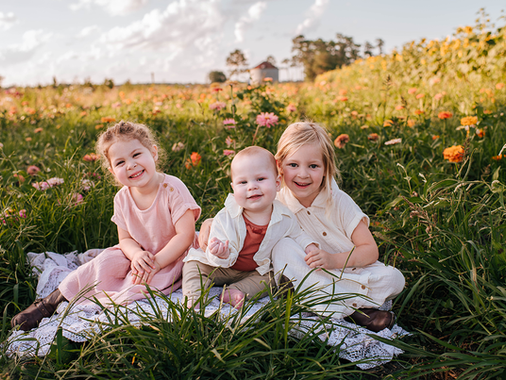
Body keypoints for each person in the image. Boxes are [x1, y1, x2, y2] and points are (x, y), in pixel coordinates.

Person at [200, 122, 405, 332]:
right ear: (279, 166)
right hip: (306, 270)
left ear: (326, 168)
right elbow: (237, 213)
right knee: (283, 248)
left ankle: (326, 301)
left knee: (395, 279)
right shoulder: (275, 200)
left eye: (313, 166)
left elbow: (370, 249)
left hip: (348, 269)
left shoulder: (339, 201)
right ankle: (355, 312)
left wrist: (333, 260)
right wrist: (210, 223)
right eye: (293, 165)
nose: (303, 174)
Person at [11, 121, 201, 331]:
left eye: (137, 155)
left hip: (173, 255)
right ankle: (53, 299)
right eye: (120, 162)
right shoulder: (122, 197)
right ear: (112, 171)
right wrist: (136, 255)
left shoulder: (172, 188)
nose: (130, 165)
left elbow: (185, 235)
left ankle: (98, 300)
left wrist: (156, 262)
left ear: (153, 153)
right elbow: (126, 239)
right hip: (139, 254)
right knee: (105, 260)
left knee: (143, 281)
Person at [182, 146, 318, 308]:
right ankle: (194, 296)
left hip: (256, 270)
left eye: (260, 179)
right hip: (220, 266)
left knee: (274, 276)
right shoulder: (226, 217)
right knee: (193, 265)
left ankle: (236, 291)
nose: (252, 186)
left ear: (277, 184)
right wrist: (220, 253)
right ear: (233, 188)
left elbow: (297, 234)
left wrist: (309, 246)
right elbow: (215, 247)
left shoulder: (284, 216)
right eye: (243, 182)